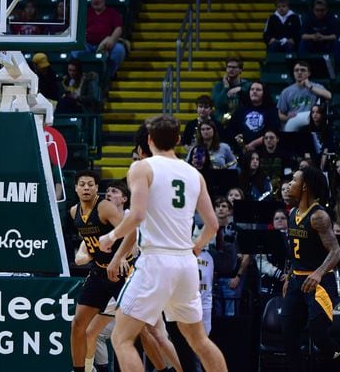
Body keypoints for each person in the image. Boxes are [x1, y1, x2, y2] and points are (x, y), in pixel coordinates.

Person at [97, 115, 226, 372]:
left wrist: (110, 237)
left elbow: (136, 215)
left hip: (155, 260)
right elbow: (213, 225)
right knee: (199, 340)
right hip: (187, 263)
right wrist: (197, 246)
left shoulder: (142, 168)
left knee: (121, 339)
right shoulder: (194, 174)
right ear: (178, 140)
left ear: (149, 139)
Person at [280, 166, 340, 370]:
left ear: (305, 186)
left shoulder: (318, 216)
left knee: (319, 336)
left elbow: (336, 252)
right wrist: (289, 276)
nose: (290, 183)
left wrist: (318, 273)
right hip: (297, 281)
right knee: (288, 334)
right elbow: (294, 252)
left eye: (294, 180)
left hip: (319, 284)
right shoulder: (292, 213)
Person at [65, 171, 126, 372]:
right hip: (99, 272)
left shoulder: (105, 207)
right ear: (75, 188)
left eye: (90, 184)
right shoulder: (74, 212)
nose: (86, 188)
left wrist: (121, 257)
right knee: (78, 325)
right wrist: (91, 254)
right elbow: (91, 243)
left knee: (147, 331)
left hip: (121, 272)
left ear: (96, 187)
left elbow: (129, 231)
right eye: (82, 184)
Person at [71, 0, 126, 83]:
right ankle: (82, 77)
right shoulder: (86, 12)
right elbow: (79, 29)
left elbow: (118, 28)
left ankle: (109, 75)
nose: (96, 0)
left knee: (119, 50)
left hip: (106, 45)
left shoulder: (112, 12)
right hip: (87, 44)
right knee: (74, 50)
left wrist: (112, 40)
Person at [277, 60, 332, 131]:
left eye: (303, 70)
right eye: (296, 70)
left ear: (309, 73)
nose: (299, 72)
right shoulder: (286, 91)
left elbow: (329, 96)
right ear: (293, 73)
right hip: (293, 123)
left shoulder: (316, 86)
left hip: (311, 122)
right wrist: (287, 117)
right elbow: (279, 115)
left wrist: (309, 87)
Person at [228, 81, 281, 153]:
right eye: (252, 89)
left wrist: (253, 144)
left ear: (264, 93)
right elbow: (231, 129)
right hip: (241, 148)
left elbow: (273, 131)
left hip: (264, 149)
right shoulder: (241, 110)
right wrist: (237, 139)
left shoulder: (271, 110)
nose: (254, 91)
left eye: (258, 90)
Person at [211, 56, 252, 122]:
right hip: (222, 121)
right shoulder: (219, 86)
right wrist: (225, 88)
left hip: (241, 120)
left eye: (234, 67)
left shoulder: (247, 85)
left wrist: (240, 89)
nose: (231, 69)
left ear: (240, 70)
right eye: (229, 67)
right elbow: (217, 104)